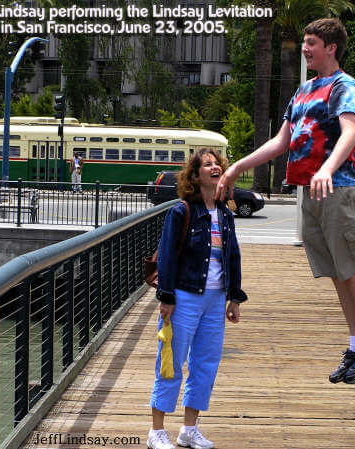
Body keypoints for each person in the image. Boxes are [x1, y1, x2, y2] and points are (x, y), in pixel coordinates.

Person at [216, 18, 355, 385]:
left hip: (338, 188)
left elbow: (350, 132)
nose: (306, 48)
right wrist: (236, 169)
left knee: (352, 266)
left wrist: (327, 169)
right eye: (305, 41)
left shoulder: (344, 86)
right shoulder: (303, 91)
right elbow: (281, 142)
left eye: (312, 43)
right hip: (311, 192)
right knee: (335, 271)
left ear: (331, 47)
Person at [148, 148, 247, 449]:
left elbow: (233, 257)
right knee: (171, 362)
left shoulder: (226, 214)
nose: (215, 168)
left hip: (215, 300)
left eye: (218, 164)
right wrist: (166, 296)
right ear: (195, 175)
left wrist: (234, 298)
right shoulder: (181, 211)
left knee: (205, 364)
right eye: (208, 165)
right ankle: (156, 431)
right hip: (184, 298)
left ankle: (189, 429)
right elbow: (166, 257)